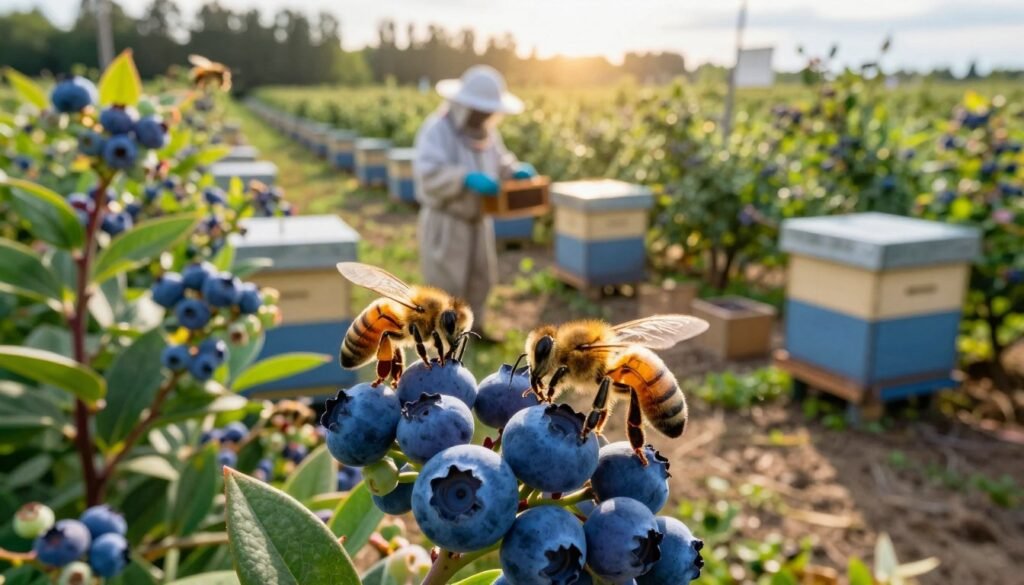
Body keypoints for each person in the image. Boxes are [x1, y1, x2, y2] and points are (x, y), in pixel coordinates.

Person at [413, 65, 536, 341]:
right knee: (446, 284)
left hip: (478, 220)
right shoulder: (437, 130)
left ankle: (474, 328)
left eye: (488, 111)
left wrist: (514, 170)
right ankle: (442, 339)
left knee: (481, 278)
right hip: (447, 220)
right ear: (464, 106)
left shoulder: (487, 134)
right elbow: (428, 172)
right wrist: (464, 178)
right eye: (479, 110)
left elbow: (500, 160)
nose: (484, 116)